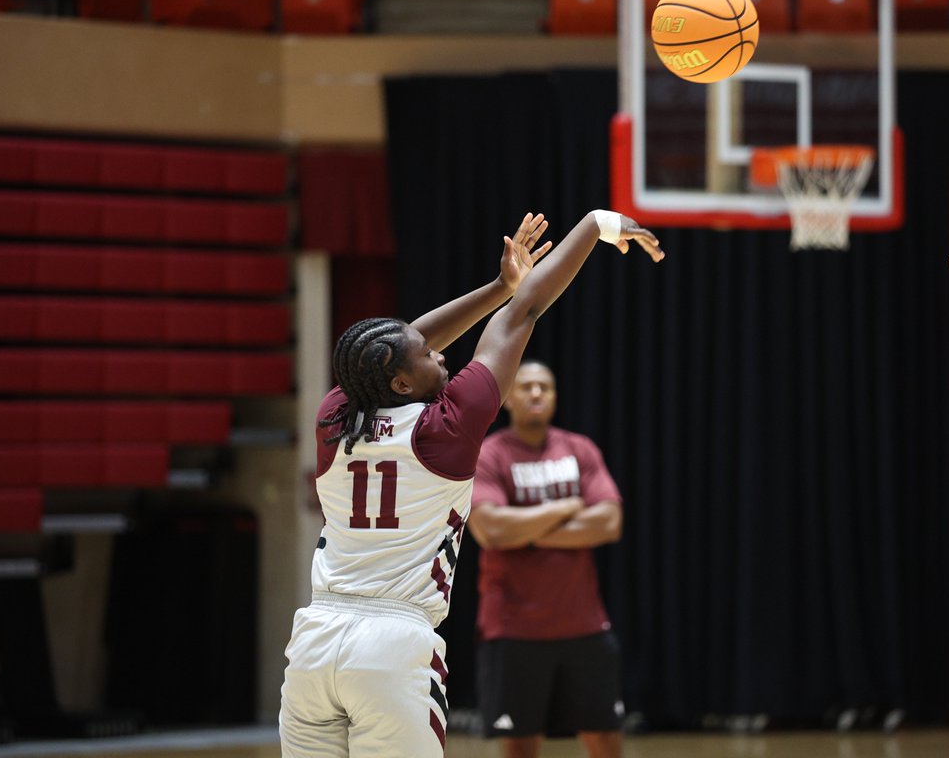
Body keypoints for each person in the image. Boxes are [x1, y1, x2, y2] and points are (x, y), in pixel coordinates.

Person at [279, 210, 663, 758]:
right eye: (429, 359)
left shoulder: (334, 415)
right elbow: (524, 312)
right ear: (401, 382)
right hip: (391, 643)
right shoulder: (446, 428)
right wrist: (596, 226)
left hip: (315, 640)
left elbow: (397, 346)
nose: (441, 354)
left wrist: (498, 285)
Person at [467, 360, 625, 758]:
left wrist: (529, 533)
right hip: (513, 629)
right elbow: (491, 530)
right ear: (508, 399)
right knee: (520, 747)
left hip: (584, 624)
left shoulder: (579, 448)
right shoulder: (488, 454)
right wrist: (567, 507)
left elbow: (608, 522)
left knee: (605, 740)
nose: (536, 394)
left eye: (545, 387)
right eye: (526, 387)